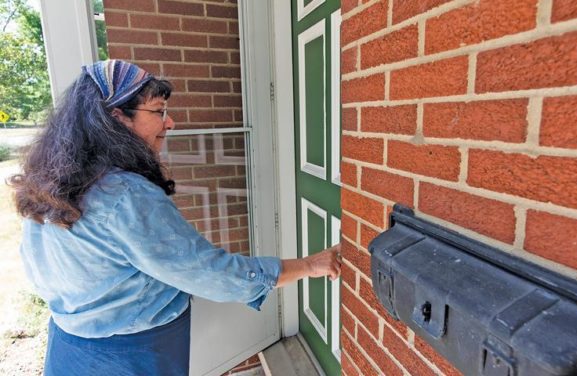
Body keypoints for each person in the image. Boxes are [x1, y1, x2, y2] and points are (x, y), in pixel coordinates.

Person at [9, 59, 341, 376]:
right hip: (131, 355)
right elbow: (208, 272)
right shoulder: (124, 195)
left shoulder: (50, 181)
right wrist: (309, 266)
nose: (169, 123)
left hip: (68, 345)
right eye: (158, 111)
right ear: (118, 118)